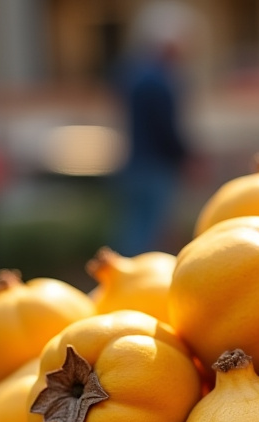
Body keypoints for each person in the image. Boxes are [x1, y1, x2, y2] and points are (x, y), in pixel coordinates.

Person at [114, 1, 193, 257]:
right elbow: (166, 127)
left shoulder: (134, 72)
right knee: (147, 235)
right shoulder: (159, 79)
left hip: (136, 162)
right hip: (156, 166)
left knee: (135, 227)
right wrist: (186, 156)